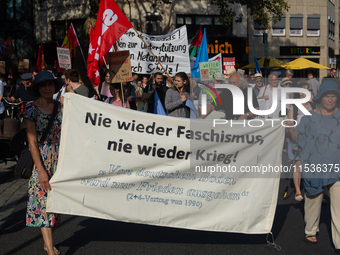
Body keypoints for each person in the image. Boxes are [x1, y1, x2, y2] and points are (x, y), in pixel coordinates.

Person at [287, 80, 340, 252]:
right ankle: (311, 230)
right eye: (327, 96)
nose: (330, 100)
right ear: (320, 98)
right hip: (314, 167)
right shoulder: (309, 118)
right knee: (312, 201)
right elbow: (297, 138)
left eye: (333, 96)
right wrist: (290, 126)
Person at [25, 70, 63, 255]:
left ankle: (48, 243)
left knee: (56, 207)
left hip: (60, 158)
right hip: (41, 158)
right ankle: (50, 250)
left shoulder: (62, 107)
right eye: (43, 85)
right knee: (43, 205)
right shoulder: (31, 109)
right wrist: (40, 170)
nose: (48, 88)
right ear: (38, 88)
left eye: (50, 84)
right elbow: (31, 141)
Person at [287, 81, 314, 202]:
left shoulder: (315, 106)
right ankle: (298, 191)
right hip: (297, 139)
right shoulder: (294, 106)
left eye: (307, 90)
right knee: (298, 165)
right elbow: (290, 124)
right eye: (303, 91)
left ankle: (316, 192)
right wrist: (295, 140)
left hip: (312, 141)